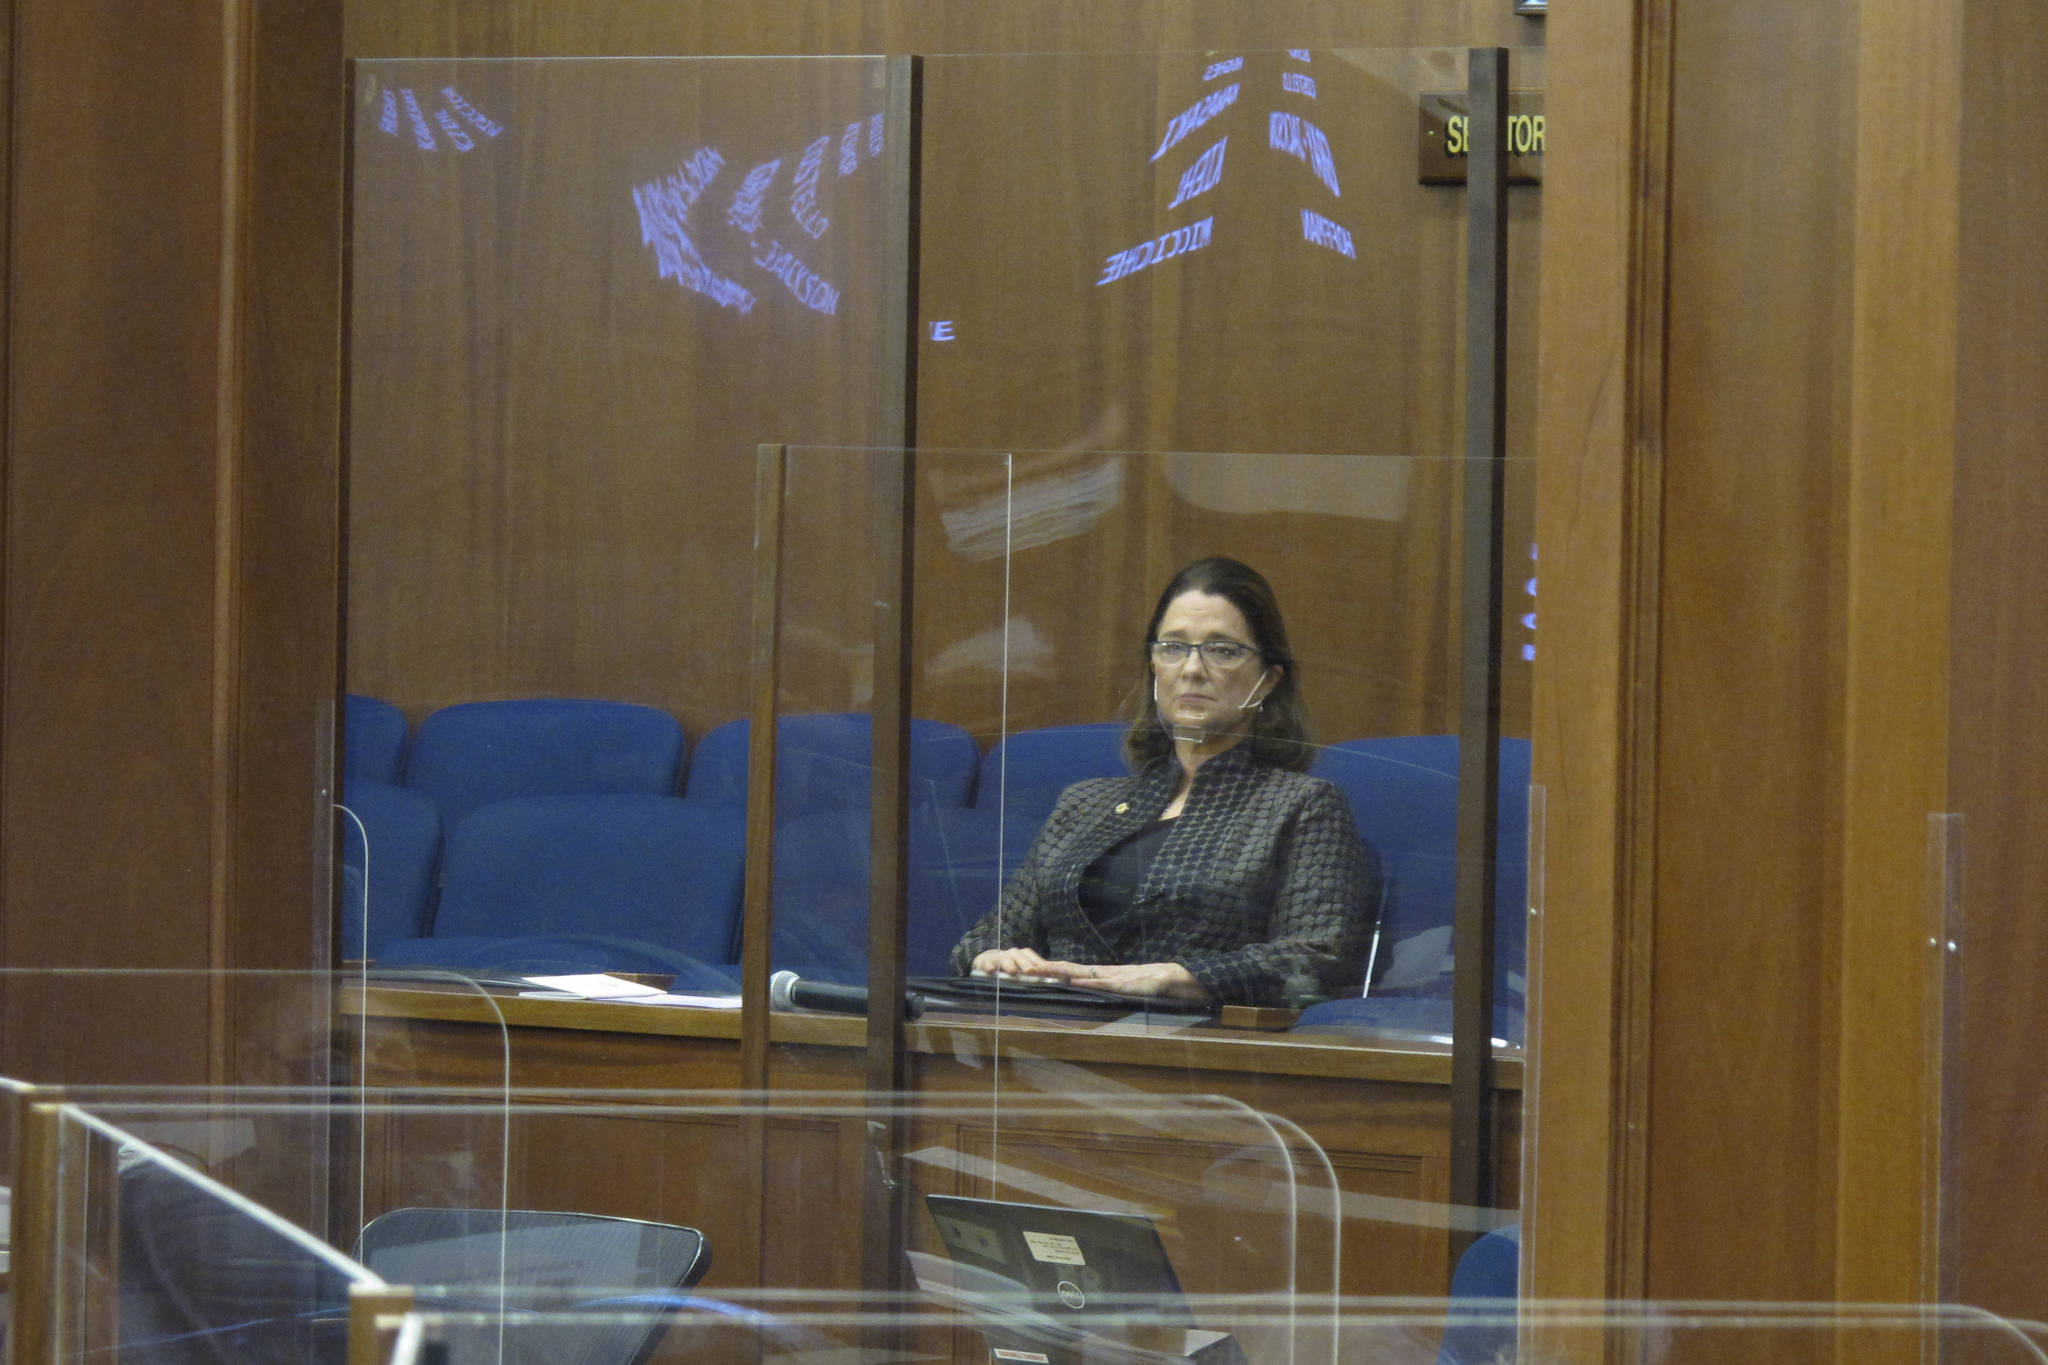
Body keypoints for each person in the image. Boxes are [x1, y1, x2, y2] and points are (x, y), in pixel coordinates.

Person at [950, 557, 1377, 1007]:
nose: (1191, 669)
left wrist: (1176, 978)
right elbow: (985, 937)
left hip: (1189, 1035)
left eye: (1223, 650)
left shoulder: (1301, 804)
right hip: (1050, 1022)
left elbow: (1315, 959)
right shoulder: (1084, 802)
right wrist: (992, 958)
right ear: (1154, 665)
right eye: (1173, 647)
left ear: (1268, 680)